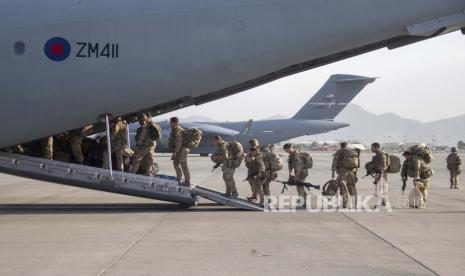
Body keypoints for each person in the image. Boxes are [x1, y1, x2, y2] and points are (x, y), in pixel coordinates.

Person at [332, 142, 358, 209]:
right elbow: (356, 164)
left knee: (343, 189)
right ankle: (354, 204)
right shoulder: (352, 152)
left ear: (340, 146)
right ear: (347, 145)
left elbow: (334, 162)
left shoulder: (339, 152)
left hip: (343, 172)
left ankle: (344, 205)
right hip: (351, 173)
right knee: (352, 188)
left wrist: (333, 173)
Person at [169, 117, 191, 185]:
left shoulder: (179, 131)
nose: (170, 124)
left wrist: (175, 152)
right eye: (171, 122)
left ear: (176, 123)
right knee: (175, 163)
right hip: (178, 149)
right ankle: (179, 178)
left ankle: (187, 181)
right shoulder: (173, 130)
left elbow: (179, 142)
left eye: (172, 122)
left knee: (183, 164)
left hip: (183, 149)